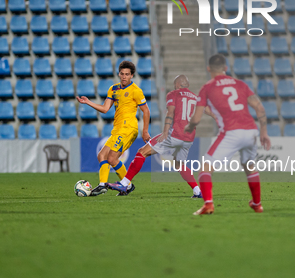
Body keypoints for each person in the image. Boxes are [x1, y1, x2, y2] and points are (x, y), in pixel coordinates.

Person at [185, 54, 271, 215]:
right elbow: (260, 108)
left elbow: (196, 117)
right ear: (226, 68)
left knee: (205, 167)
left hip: (231, 132)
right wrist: (264, 133)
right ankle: (257, 205)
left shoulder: (207, 87)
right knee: (250, 167)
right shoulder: (240, 84)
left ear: (208, 69)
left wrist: (190, 127)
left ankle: (208, 204)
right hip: (251, 131)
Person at [107, 74, 209, 197]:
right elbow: (209, 111)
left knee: (142, 152)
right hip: (188, 138)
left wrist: (165, 132)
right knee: (179, 165)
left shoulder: (173, 94)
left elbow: (170, 113)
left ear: (177, 84)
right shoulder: (197, 98)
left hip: (174, 134)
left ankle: (124, 183)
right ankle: (198, 191)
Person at [76, 60, 150, 196]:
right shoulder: (113, 89)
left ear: (132, 75)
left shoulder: (136, 91)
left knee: (111, 157)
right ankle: (112, 185)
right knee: (102, 155)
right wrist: (87, 102)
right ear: (119, 74)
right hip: (117, 129)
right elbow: (105, 109)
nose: (124, 77)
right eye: (122, 74)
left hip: (129, 128)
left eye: (127, 74)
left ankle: (120, 185)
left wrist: (145, 131)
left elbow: (146, 110)